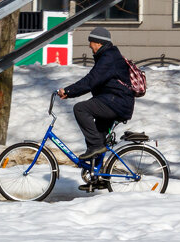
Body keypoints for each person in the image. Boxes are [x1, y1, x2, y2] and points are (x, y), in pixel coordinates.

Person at [56, 26, 135, 164]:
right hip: (114, 101)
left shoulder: (108, 58)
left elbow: (91, 80)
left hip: (116, 103)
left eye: (91, 42)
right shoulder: (108, 56)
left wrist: (68, 91)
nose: (89, 45)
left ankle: (96, 146)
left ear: (98, 43)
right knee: (97, 138)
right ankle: (97, 178)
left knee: (80, 109)